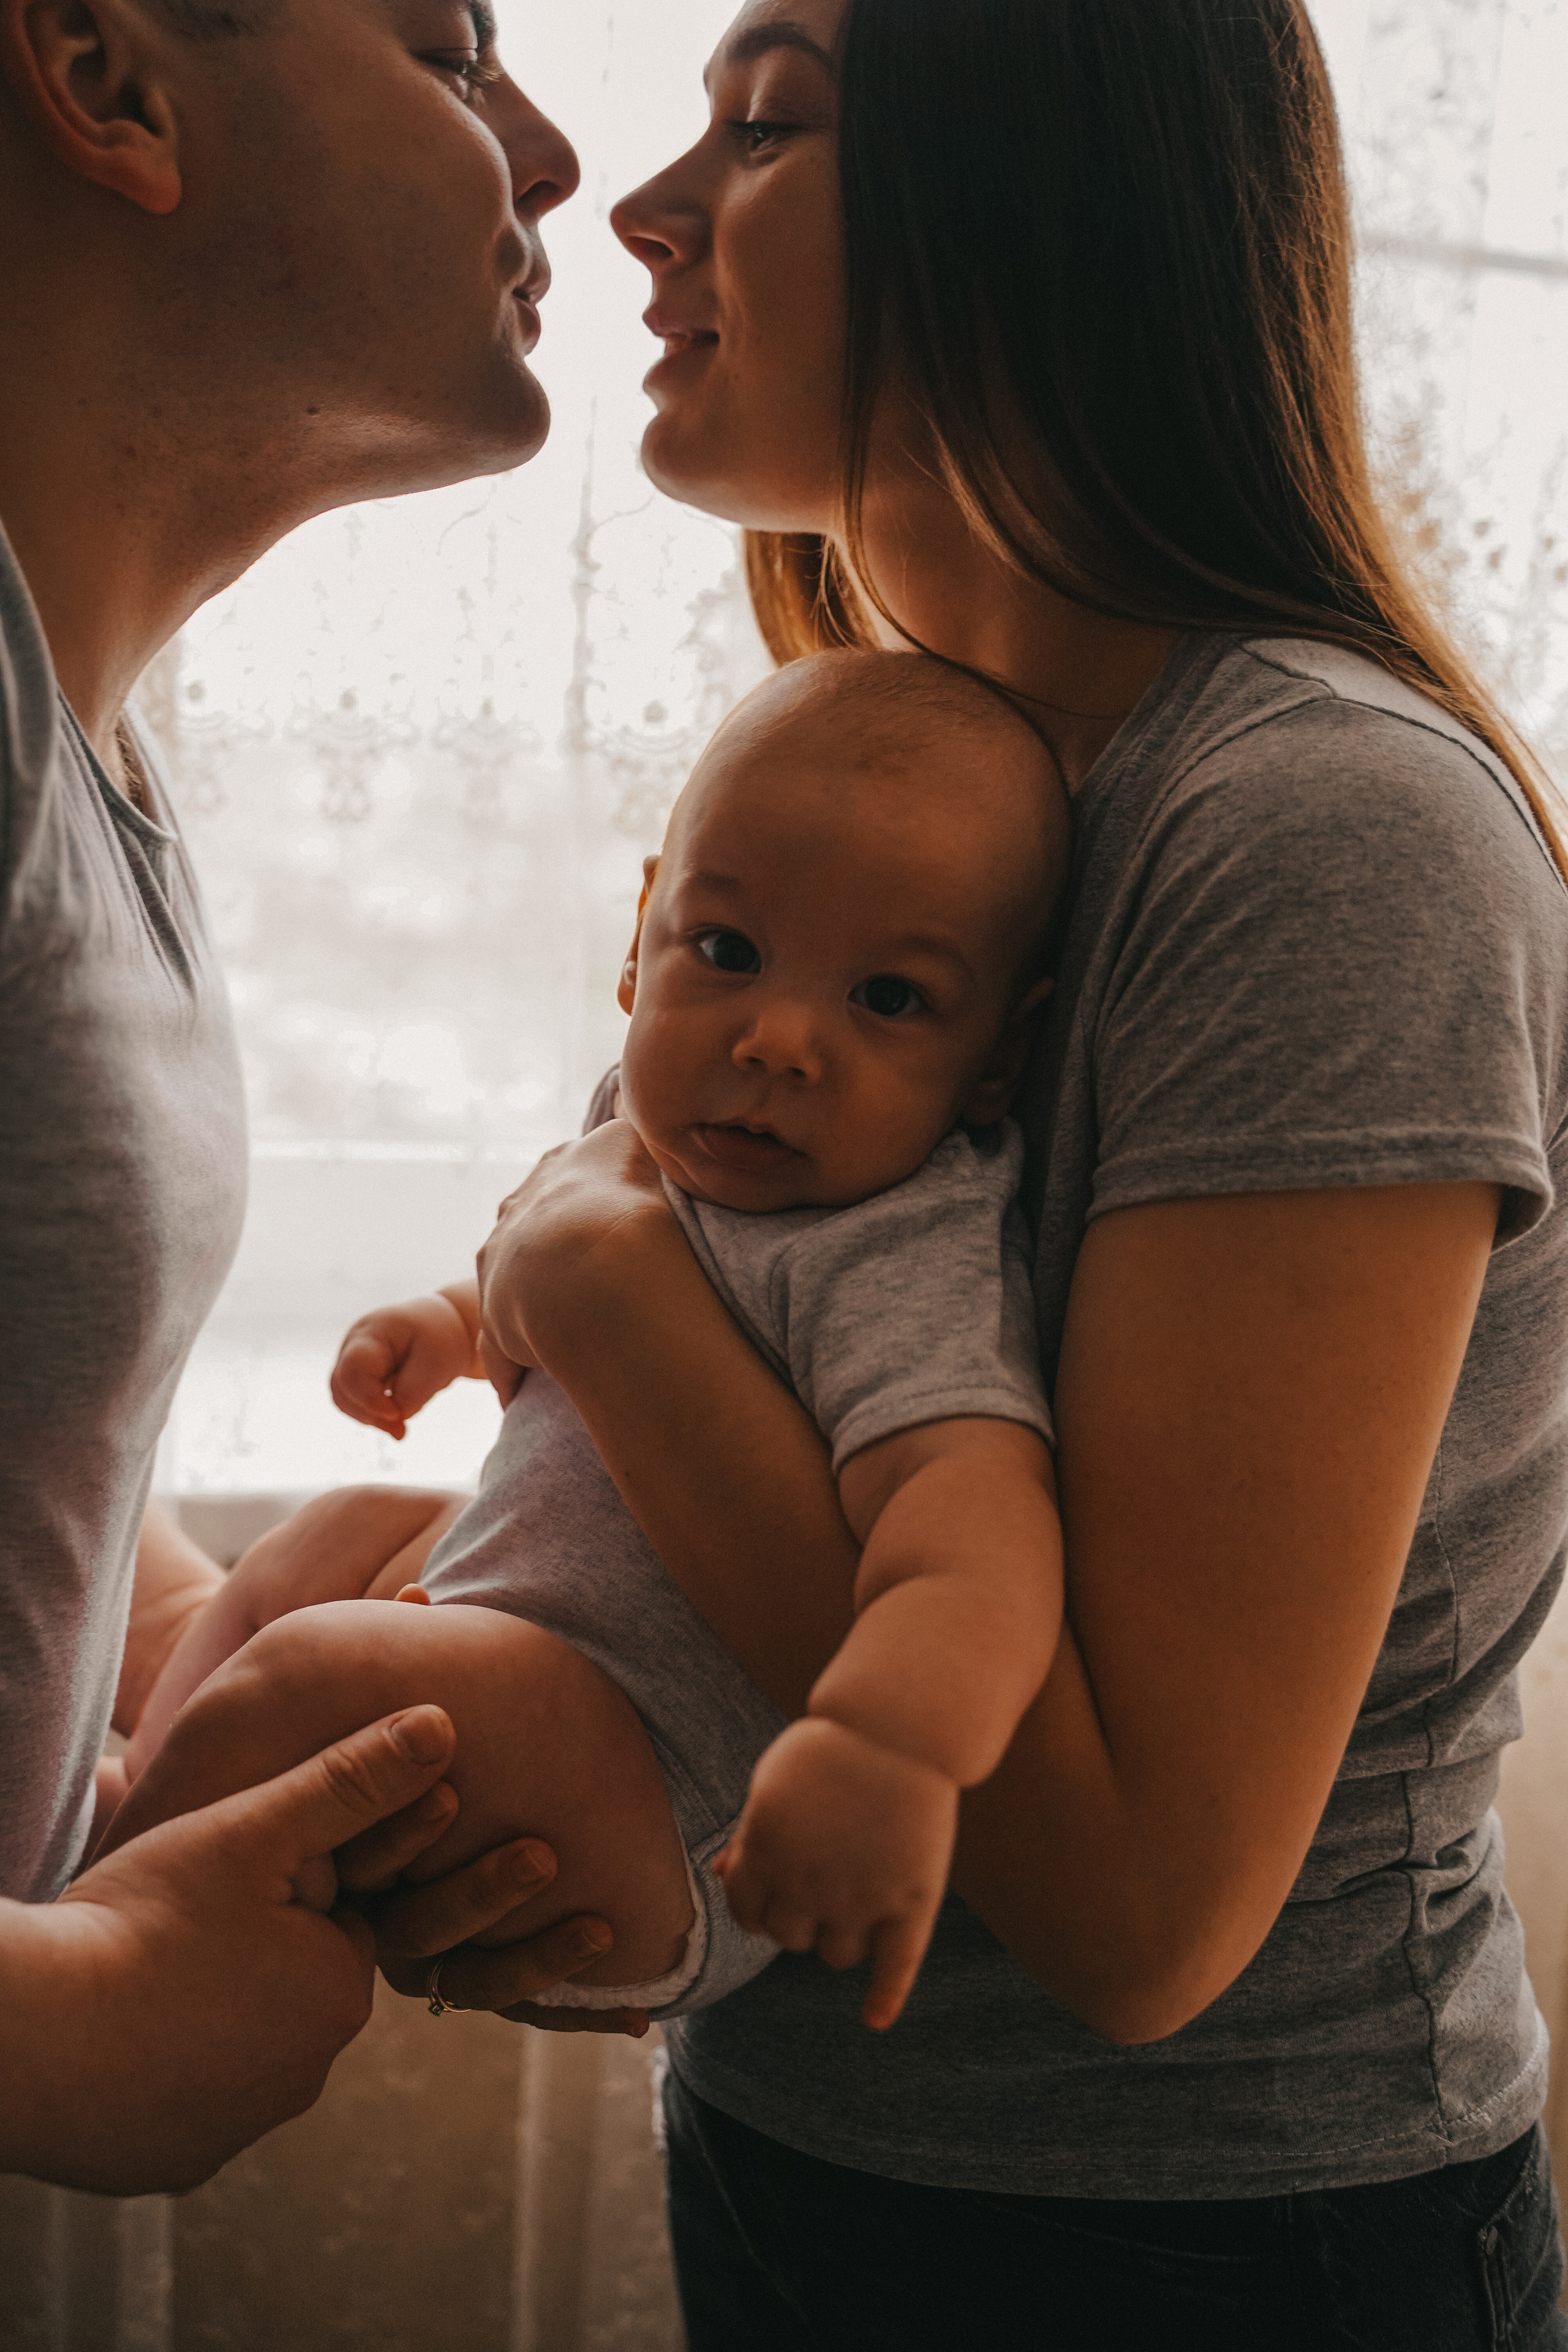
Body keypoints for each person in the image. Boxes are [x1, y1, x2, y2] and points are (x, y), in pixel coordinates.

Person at [440, 0, 1568, 2344]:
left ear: (1048, 196)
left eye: (765, 125)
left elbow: (1141, 1911)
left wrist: (599, 1287)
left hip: (1203, 2251)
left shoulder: (1321, 834)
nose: (640, 210)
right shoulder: (911, 795)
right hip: (802, 2137)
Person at [0, 0, 614, 2193]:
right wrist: (58, 2030)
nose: (554, 159)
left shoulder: (99, 749)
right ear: (112, 82)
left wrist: (210, 1649)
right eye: (452, 52)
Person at [105, 648, 1069, 2038]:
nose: (777, 1039)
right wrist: (449, 1323)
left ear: (993, 1058)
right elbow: (543, 1306)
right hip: (526, 1646)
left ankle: (112, 1933)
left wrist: (884, 1747)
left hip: (659, 1797)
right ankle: (143, 1806)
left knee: (327, 1671)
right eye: (727, 954)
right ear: (642, 937)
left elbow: (974, 1524)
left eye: (888, 999)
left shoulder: (894, 1249)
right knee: (328, 1541)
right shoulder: (659, 1129)